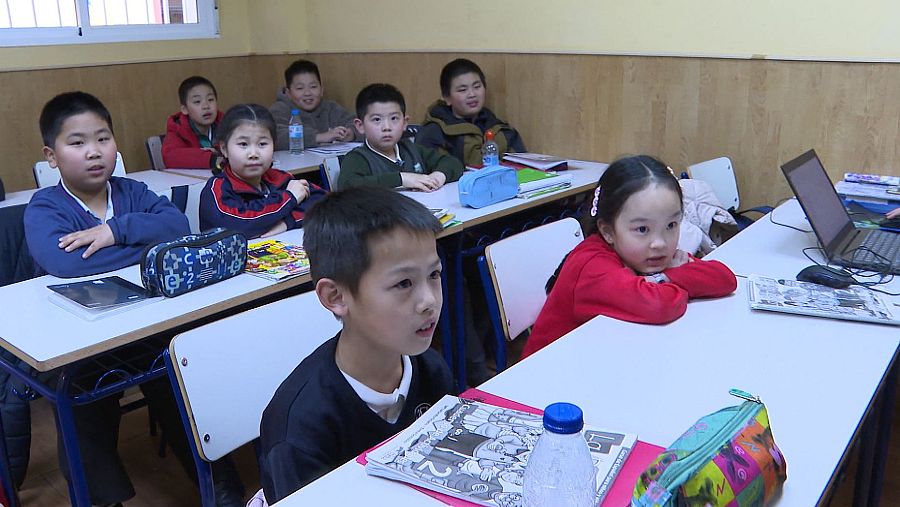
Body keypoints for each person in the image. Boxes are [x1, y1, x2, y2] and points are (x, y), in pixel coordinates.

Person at [24, 91, 244, 507]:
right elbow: (65, 264)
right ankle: (104, 499)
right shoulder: (45, 206)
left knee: (182, 374)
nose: (94, 152)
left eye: (103, 138)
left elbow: (177, 226)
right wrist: (149, 248)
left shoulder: (132, 191)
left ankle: (221, 489)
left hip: (148, 325)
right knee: (80, 400)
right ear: (51, 156)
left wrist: (115, 231)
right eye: (77, 143)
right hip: (79, 341)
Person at [258, 187, 454, 503]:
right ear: (336, 297)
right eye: (404, 283)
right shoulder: (300, 428)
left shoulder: (431, 369)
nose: (429, 301)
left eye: (434, 274)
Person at [521, 155, 738, 359]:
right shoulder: (592, 265)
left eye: (671, 225)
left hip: (600, 358)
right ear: (607, 231)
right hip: (543, 375)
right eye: (642, 229)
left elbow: (724, 279)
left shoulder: (645, 253)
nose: (660, 243)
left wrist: (667, 277)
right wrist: (672, 277)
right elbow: (659, 306)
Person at [199, 103, 325, 238]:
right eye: (243, 144)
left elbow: (324, 202)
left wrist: (288, 221)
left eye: (262, 144)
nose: (253, 154)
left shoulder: (280, 178)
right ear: (224, 149)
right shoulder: (216, 189)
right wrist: (289, 197)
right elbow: (240, 225)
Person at [338, 83, 463, 191]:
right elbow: (347, 186)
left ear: (404, 123)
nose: (386, 127)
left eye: (394, 118)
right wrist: (402, 179)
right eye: (377, 119)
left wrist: (438, 176)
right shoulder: (357, 158)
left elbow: (453, 163)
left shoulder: (412, 149)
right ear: (360, 126)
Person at [416, 58, 526, 167]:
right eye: (463, 90)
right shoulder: (433, 133)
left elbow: (523, 166)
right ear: (447, 98)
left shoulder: (501, 129)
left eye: (477, 87)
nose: (472, 94)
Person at [269, 59, 358, 151]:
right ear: (288, 93)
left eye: (313, 87)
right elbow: (275, 137)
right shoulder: (279, 109)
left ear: (322, 90)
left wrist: (351, 133)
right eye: (300, 88)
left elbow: (356, 123)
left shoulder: (331, 108)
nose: (307, 93)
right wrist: (319, 137)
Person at [161, 75, 225, 170]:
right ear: (185, 109)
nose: (206, 106)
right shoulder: (178, 129)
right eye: (197, 101)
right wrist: (211, 158)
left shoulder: (227, 124)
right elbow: (170, 156)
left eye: (210, 100)